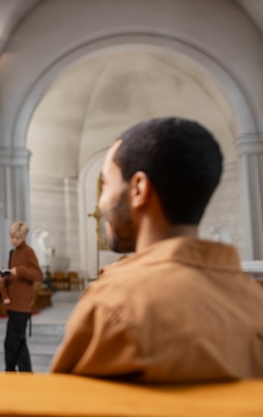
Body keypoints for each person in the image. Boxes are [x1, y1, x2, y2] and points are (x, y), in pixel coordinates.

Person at [50, 117, 263, 382]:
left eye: (105, 184)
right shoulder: (255, 302)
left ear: (138, 189)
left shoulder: (114, 304)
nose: (101, 202)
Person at [0, 221, 43, 372]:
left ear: (24, 237)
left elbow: (38, 275)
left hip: (22, 305)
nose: (14, 241)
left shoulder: (29, 252)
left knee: (11, 342)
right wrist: (5, 294)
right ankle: (26, 374)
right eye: (12, 237)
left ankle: (10, 371)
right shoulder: (12, 253)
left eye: (17, 238)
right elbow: (8, 277)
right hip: (11, 303)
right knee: (19, 342)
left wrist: (20, 271)